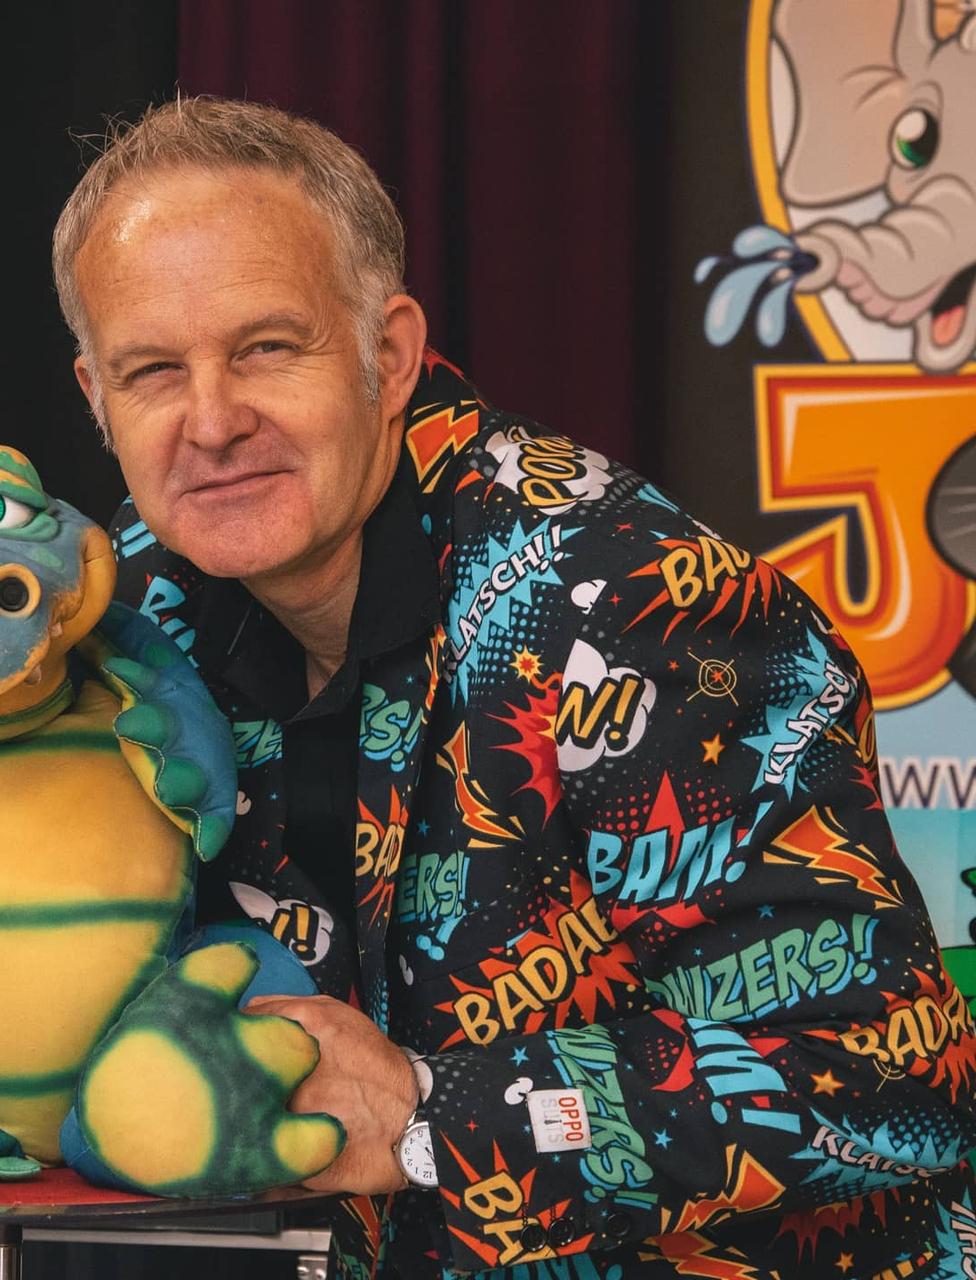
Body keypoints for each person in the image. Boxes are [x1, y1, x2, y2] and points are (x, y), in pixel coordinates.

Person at [51, 96, 976, 1279]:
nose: (213, 419)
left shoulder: (633, 604)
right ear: (95, 395)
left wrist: (430, 1112)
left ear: (387, 355)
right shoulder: (118, 612)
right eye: (151, 371)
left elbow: (892, 1078)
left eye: (267, 347)